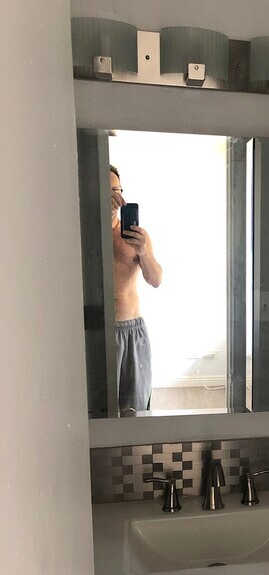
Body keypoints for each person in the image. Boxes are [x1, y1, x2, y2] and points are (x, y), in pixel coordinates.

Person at [110, 165, 162, 415]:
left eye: (117, 190)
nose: (115, 197)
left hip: (132, 331)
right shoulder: (81, 235)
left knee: (135, 409)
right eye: (106, 192)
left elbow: (156, 279)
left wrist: (143, 252)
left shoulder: (135, 235)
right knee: (100, 408)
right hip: (97, 332)